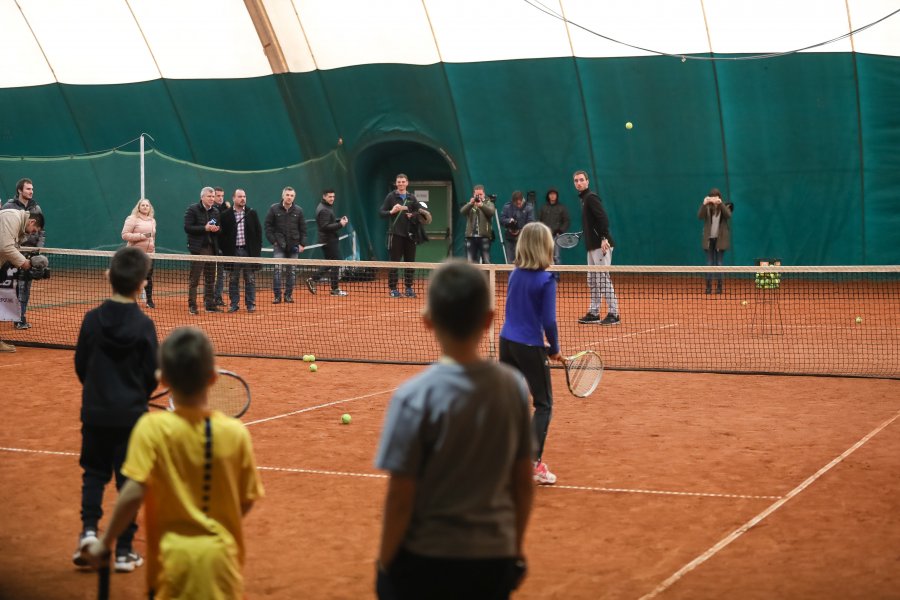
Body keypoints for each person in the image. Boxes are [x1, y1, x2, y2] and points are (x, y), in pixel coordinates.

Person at [375, 261, 534, 600]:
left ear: (427, 320)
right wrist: (514, 549)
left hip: (427, 561)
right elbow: (523, 484)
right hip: (494, 560)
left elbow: (400, 498)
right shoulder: (514, 389)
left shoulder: (411, 398)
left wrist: (385, 567)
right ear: (489, 319)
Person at [80, 326, 265, 599]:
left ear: (162, 379)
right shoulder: (235, 433)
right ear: (213, 377)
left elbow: (133, 491)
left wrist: (105, 543)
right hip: (222, 564)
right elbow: (247, 499)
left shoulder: (151, 428)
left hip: (171, 564)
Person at [71, 246, 158, 573]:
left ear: (108, 277)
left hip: (94, 413)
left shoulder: (92, 319)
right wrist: (136, 395)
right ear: (142, 285)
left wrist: (97, 392)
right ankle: (123, 550)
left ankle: (89, 534)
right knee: (129, 482)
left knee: (93, 475)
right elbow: (152, 373)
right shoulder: (144, 325)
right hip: (132, 418)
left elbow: (81, 364)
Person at [499, 222, 562, 485]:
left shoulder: (515, 273)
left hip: (507, 343)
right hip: (528, 346)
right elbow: (549, 321)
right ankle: (532, 464)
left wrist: (540, 346)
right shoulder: (547, 279)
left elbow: (517, 313)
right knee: (544, 404)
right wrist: (554, 348)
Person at [574, 170, 620, 326]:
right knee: (592, 279)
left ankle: (614, 313)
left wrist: (603, 238)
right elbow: (593, 222)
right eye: (576, 180)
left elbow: (603, 218)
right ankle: (594, 313)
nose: (579, 183)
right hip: (591, 246)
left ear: (587, 182)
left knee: (601, 279)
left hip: (602, 246)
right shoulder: (584, 200)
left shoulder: (591, 198)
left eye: (581, 180)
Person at [2, 178, 45, 330]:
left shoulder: (36, 208)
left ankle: (20, 318)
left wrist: (36, 251)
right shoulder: (10, 209)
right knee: (8, 286)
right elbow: (6, 241)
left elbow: (41, 231)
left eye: (32, 189)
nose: (31, 191)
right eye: (28, 189)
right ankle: (6, 315)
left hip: (26, 254)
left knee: (25, 287)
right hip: (12, 254)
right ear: (20, 190)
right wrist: (21, 259)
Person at [380, 173, 430, 298]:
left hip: (410, 235)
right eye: (399, 182)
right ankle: (393, 289)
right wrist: (392, 211)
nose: (401, 184)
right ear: (396, 183)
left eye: (403, 181)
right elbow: (381, 212)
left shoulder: (412, 197)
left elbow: (419, 212)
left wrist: (412, 215)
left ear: (407, 183)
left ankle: (408, 288)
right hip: (396, 234)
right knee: (394, 263)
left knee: (410, 263)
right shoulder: (391, 197)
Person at [0, 209, 44, 352]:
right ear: (31, 221)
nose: (32, 233)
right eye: (34, 230)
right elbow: (5, 246)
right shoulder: (12, 217)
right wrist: (24, 263)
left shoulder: (18, 226)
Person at [219, 189, 263, 312]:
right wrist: (225, 250)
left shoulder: (252, 213)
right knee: (233, 279)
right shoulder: (225, 215)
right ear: (233, 198)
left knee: (250, 279)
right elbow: (222, 235)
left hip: (248, 252)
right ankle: (234, 304)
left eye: (244, 196)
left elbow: (258, 233)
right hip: (233, 253)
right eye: (240, 196)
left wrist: (256, 251)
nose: (243, 198)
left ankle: (250, 304)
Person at [264, 186, 306, 304]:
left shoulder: (299, 211)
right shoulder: (274, 209)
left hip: (294, 246)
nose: (289, 197)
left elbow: (303, 229)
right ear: (283, 196)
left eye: (292, 195)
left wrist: (302, 244)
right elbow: (268, 227)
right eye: (287, 195)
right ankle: (277, 296)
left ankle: (288, 295)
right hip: (279, 246)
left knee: (291, 271)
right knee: (277, 270)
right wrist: (274, 241)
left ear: (294, 197)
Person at [184, 186, 221, 314]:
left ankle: (209, 304)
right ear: (202, 197)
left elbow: (218, 228)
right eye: (209, 196)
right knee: (194, 279)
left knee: (210, 279)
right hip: (198, 249)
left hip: (212, 249)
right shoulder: (192, 209)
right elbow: (188, 228)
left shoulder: (216, 211)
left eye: (213, 196)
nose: (212, 199)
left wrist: (217, 229)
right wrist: (204, 228)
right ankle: (192, 305)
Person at [306, 189, 349, 296]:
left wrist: (339, 220)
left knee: (331, 262)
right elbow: (324, 227)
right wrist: (340, 225)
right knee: (335, 262)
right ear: (324, 196)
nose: (332, 199)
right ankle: (318, 281)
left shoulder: (326, 207)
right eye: (330, 197)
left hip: (329, 239)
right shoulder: (324, 209)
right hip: (329, 240)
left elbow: (328, 222)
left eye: (333, 196)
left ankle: (318, 282)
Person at [121, 198, 157, 308]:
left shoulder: (152, 220)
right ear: (139, 207)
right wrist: (143, 236)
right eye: (143, 205)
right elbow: (125, 235)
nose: (145, 207)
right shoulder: (132, 219)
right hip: (135, 254)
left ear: (150, 208)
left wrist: (152, 249)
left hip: (150, 255)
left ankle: (149, 301)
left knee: (148, 278)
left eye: (147, 205)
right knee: (134, 278)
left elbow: (152, 237)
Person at [698, 188, 733, 294]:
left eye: (716, 197)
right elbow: (699, 216)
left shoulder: (725, 206)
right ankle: (708, 287)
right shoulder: (707, 207)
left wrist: (721, 204)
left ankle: (719, 288)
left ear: (719, 197)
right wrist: (704, 204)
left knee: (719, 263)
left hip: (720, 240)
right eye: (712, 197)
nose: (714, 199)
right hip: (709, 240)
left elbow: (728, 215)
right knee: (709, 264)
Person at [460, 184, 495, 264]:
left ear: (484, 194)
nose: (478, 196)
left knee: (486, 260)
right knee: (470, 261)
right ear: (473, 194)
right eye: (476, 195)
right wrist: (470, 204)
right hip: (471, 236)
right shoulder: (470, 204)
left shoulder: (489, 203)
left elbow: (491, 212)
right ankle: (472, 276)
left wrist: (481, 205)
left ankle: (487, 276)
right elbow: (462, 212)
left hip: (484, 236)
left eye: (480, 194)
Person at [499, 191, 534, 264]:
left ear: (522, 200)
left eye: (520, 203)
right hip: (510, 238)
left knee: (524, 261)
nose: (518, 205)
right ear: (513, 201)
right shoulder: (507, 207)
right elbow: (502, 220)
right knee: (510, 261)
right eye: (516, 203)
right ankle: (511, 275)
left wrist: (520, 230)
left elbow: (531, 223)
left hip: (523, 239)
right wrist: (509, 221)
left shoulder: (529, 207)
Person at [537, 188, 570, 266]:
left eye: (554, 194)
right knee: (544, 256)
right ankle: (546, 275)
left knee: (556, 257)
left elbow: (566, 221)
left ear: (556, 196)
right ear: (548, 196)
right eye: (551, 194)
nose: (552, 196)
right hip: (545, 236)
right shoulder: (543, 207)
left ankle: (556, 276)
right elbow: (539, 221)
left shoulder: (562, 207)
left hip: (557, 236)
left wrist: (560, 231)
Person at [212, 186, 229, 306]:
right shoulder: (210, 210)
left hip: (223, 247)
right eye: (218, 195)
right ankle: (209, 298)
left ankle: (218, 297)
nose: (220, 198)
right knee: (211, 274)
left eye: (222, 196)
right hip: (211, 246)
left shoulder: (226, 209)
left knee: (222, 275)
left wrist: (229, 208)